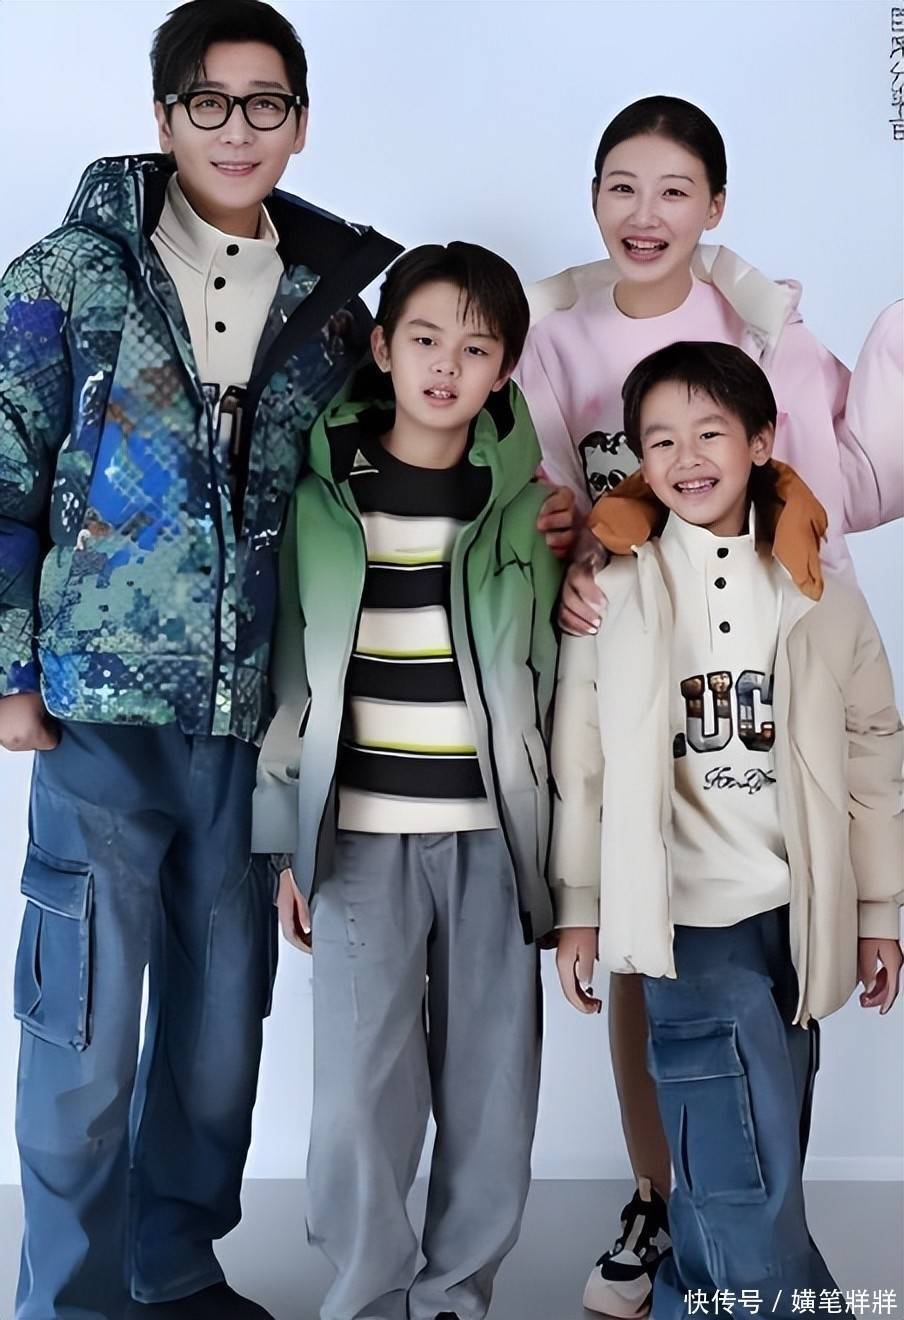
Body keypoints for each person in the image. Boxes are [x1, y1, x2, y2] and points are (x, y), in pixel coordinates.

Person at [0, 2, 405, 1316]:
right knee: (81, 1033)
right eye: (210, 103)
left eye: (266, 103)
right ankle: (72, 1297)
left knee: (222, 1032)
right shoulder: (68, 276)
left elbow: (386, 473)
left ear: (301, 121)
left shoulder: (331, 307)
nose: (240, 130)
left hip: (251, 723)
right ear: (165, 116)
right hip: (99, 719)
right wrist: (9, 670)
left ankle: (172, 1273)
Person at [514, 95, 904, 1315]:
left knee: (763, 1077)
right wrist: (579, 559)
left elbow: (834, 482)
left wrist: (879, 902)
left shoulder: (761, 328)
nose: (646, 214)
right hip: (631, 675)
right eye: (621, 187)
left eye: (675, 190)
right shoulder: (548, 334)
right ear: (592, 197)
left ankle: (716, 1257)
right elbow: (533, 491)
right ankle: (668, 1208)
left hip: (774, 736)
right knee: (675, 1011)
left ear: (715, 206)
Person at [252, 242, 564, 1320]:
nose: (446, 365)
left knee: (491, 1093)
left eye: (476, 349)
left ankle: (455, 1299)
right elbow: (288, 678)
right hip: (354, 837)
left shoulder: (526, 509)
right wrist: (285, 845)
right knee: (356, 1094)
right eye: (425, 339)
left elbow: (552, 678)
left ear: (504, 371)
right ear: (382, 349)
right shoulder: (319, 498)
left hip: (494, 837)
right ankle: (364, 1296)